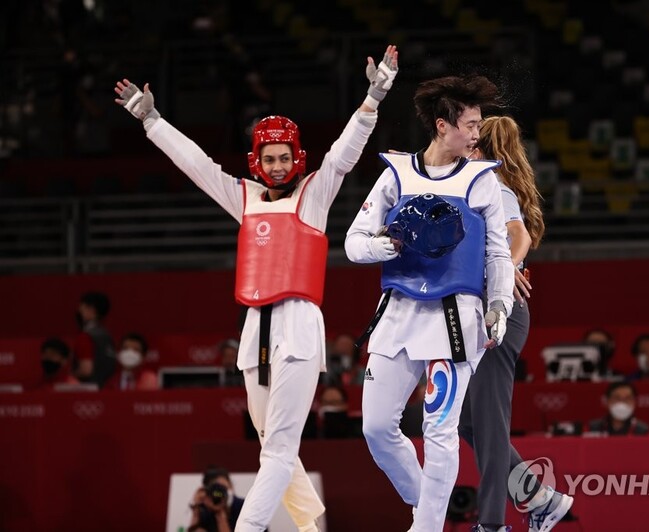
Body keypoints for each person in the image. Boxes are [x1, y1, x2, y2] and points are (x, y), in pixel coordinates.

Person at [114, 44, 398, 532]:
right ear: (257, 160)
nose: (279, 165)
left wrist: (373, 98)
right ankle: (309, 528)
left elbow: (344, 154)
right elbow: (197, 165)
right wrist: (152, 121)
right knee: (273, 445)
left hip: (299, 326)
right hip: (254, 332)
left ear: (297, 157)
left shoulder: (314, 193)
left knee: (280, 449)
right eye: (271, 158)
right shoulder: (243, 197)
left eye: (285, 156)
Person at [345, 75, 515, 532]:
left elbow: (498, 253)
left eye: (479, 124)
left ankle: (426, 527)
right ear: (443, 125)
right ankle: (426, 507)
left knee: (439, 432)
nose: (478, 133)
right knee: (376, 428)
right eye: (471, 125)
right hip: (399, 312)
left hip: (454, 320)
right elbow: (353, 243)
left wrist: (500, 304)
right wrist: (384, 246)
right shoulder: (396, 174)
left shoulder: (482, 179)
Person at [458, 115, 572, 532]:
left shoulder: (494, 185)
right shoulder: (481, 186)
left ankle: (491, 524)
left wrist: (504, 273)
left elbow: (518, 235)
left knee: (489, 426)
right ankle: (540, 499)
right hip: (488, 312)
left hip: (501, 315)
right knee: (468, 422)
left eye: (470, 145)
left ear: (478, 150)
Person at [73, 291, 117, 388]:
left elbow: (86, 370)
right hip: (108, 389)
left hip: (89, 391)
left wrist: (69, 376)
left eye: (81, 308)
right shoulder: (107, 336)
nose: (79, 311)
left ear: (91, 309)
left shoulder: (85, 337)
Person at [189, 466, 247, 532]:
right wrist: (196, 508)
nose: (221, 493)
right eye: (216, 490)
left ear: (231, 485)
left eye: (224, 488)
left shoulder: (244, 506)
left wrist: (219, 513)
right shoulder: (206, 509)